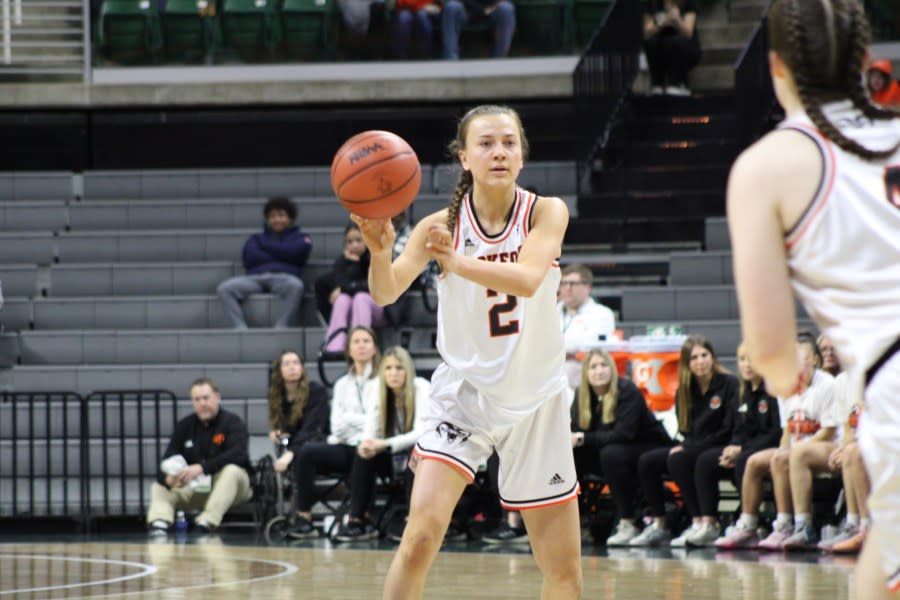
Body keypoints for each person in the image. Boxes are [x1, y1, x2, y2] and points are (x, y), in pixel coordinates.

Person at [354, 104, 582, 598]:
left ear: (522, 156)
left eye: (508, 143)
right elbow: (386, 291)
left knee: (563, 573)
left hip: (536, 401)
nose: (498, 151)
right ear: (464, 158)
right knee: (418, 538)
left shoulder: (547, 211)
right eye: (485, 143)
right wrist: (378, 250)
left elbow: (525, 279)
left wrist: (454, 261)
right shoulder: (438, 224)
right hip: (465, 396)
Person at [726, 0, 898, 593]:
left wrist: (782, 379)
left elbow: (774, 355)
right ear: (861, 56)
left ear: (774, 66)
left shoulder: (766, 166)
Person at [629, 334, 739, 548]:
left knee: (680, 458)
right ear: (687, 364)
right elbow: (685, 429)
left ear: (713, 357)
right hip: (694, 446)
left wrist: (690, 446)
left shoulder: (729, 384)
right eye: (694, 357)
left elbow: (728, 429)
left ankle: (703, 522)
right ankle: (660, 523)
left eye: (704, 355)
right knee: (647, 461)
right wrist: (689, 445)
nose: (700, 361)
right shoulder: (684, 390)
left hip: (721, 445)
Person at [285, 326, 381, 539]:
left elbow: (379, 422)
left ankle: (357, 520)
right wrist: (360, 424)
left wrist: (352, 422)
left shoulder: (383, 380)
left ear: (374, 348)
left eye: (366, 341)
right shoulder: (341, 384)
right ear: (348, 349)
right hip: (345, 444)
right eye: (356, 341)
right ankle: (304, 518)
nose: (361, 345)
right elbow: (336, 425)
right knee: (307, 451)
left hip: (375, 448)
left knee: (362, 451)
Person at [572, 349, 674, 546]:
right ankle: (579, 522)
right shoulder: (582, 395)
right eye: (593, 367)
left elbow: (623, 434)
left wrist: (583, 438)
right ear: (586, 372)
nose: (599, 371)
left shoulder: (627, 390)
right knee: (571, 454)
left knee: (611, 453)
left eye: (603, 366)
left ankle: (628, 522)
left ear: (612, 369)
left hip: (647, 446)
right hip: (612, 452)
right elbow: (576, 430)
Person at [333, 346, 431, 541]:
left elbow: (421, 433)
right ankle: (358, 520)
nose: (393, 373)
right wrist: (367, 444)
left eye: (399, 368)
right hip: (391, 458)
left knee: (416, 452)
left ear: (408, 370)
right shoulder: (378, 390)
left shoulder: (421, 387)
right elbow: (370, 430)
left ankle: (413, 522)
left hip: (419, 458)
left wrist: (385, 444)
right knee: (364, 454)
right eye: (388, 368)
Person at [691, 342, 781, 546]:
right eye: (742, 360)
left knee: (744, 461)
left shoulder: (773, 391)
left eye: (752, 359)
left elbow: (775, 432)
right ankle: (709, 524)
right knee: (706, 460)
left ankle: (749, 523)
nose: (747, 364)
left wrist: (742, 450)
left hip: (768, 449)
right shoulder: (743, 392)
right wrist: (733, 447)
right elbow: (738, 429)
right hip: (746, 449)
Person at [146, 378, 252, 534]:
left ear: (217, 397)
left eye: (206, 398)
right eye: (197, 399)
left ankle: (207, 521)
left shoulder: (232, 423)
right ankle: (159, 521)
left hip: (232, 488)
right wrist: (169, 478)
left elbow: (238, 455)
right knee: (159, 485)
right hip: (196, 487)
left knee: (232, 471)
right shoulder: (185, 426)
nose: (202, 403)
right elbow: (167, 458)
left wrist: (202, 468)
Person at [216, 197, 312, 329]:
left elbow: (297, 253)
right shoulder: (255, 238)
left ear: (290, 218)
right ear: (267, 219)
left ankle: (281, 326)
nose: (277, 219)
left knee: (296, 286)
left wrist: (266, 248)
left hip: (284, 278)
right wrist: (283, 252)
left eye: (281, 215)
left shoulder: (301, 238)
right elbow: (250, 258)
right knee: (225, 288)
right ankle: (240, 328)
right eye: (272, 216)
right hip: (255, 278)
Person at [819, 371, 870, 554]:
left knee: (853, 453)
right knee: (850, 453)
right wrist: (844, 447)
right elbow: (847, 428)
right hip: (860, 444)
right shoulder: (843, 380)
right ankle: (853, 525)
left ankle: (868, 529)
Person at [321, 223, 388, 352]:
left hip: (380, 309)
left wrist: (348, 287)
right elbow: (341, 283)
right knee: (342, 299)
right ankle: (335, 346)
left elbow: (373, 286)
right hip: (353, 309)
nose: (354, 245)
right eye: (350, 242)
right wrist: (352, 264)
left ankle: (360, 344)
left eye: (358, 240)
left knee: (361, 297)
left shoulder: (376, 257)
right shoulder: (342, 261)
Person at [267, 351, 329, 475]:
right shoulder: (277, 395)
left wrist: (290, 454)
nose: (292, 367)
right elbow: (286, 428)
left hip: (319, 440)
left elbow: (312, 428)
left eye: (296, 363)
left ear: (302, 368)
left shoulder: (316, 391)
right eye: (286, 364)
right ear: (279, 371)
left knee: (302, 451)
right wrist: (276, 431)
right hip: (296, 443)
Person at [558, 264, 617, 389]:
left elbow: (591, 347)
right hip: (552, 375)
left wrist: (556, 349)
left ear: (587, 287)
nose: (568, 288)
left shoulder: (602, 313)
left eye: (573, 283)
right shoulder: (551, 311)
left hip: (583, 376)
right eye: (564, 283)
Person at [642, 0, 701, 96]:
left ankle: (678, 83)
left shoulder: (688, 3)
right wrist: (663, 22)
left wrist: (677, 19)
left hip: (685, 47)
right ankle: (657, 84)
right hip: (660, 46)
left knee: (672, 42)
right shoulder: (652, 4)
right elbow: (647, 32)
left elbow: (688, 32)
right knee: (651, 43)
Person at [441, 0, 515, 60]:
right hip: (466, 11)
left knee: (506, 8)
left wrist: (491, 7)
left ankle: (498, 61)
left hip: (491, 11)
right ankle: (451, 60)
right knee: (451, 6)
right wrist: (482, 10)